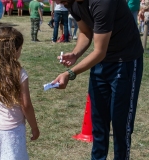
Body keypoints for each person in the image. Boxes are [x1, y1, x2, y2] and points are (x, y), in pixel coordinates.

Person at [52, 0, 143, 159]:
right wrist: (75, 54)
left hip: (125, 61)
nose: (58, 2)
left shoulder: (102, 2)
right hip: (101, 63)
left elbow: (100, 51)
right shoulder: (71, 2)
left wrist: (69, 74)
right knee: (99, 124)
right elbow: (85, 31)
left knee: (121, 125)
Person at [0, 27, 40, 160]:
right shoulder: (20, 74)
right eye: (20, 49)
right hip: (13, 130)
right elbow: (26, 105)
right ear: (14, 50)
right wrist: (34, 127)